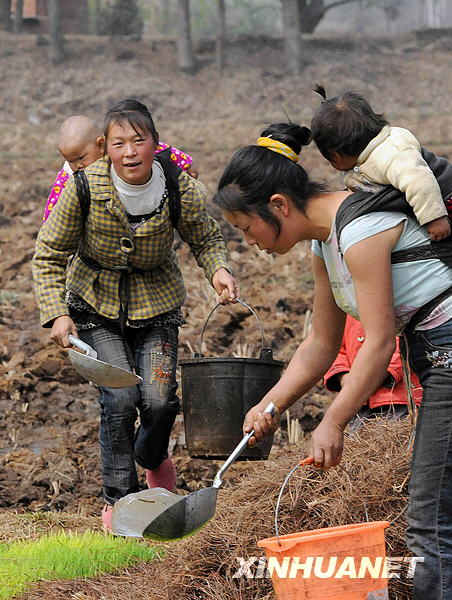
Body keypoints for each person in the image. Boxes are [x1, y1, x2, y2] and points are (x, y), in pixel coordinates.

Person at [212, 122, 452, 600]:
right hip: (436, 358)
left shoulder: (360, 231)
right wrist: (270, 406)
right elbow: (322, 344)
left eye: (246, 228)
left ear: (278, 205)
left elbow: (379, 341)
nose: (250, 241)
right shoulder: (327, 243)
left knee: (430, 521)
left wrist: (335, 420)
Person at [33, 99, 238, 529]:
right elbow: (49, 253)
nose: (130, 152)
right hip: (94, 305)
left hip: (156, 304)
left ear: (155, 144)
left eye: (139, 141)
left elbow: (204, 236)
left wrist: (218, 270)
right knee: (121, 399)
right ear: (106, 147)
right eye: (120, 143)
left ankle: (151, 454)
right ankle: (119, 501)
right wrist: (56, 314)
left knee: (160, 402)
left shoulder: (175, 185)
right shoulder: (83, 187)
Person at [310, 86, 451, 241]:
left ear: (336, 156)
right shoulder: (364, 160)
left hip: (445, 200)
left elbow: (420, 182)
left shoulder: (392, 152)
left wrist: (435, 219)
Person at [43, 115, 199, 222]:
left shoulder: (116, 152)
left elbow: (157, 149)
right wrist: (50, 227)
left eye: (81, 158)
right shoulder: (69, 174)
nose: (77, 165)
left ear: (101, 144)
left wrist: (186, 164)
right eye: (70, 160)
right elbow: (53, 203)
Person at [324, 315, 422, 431]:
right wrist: (345, 378)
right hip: (358, 404)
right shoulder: (344, 305)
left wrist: (364, 379)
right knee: (362, 444)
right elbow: (331, 348)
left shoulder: (399, 303)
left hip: (399, 401)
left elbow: (404, 342)